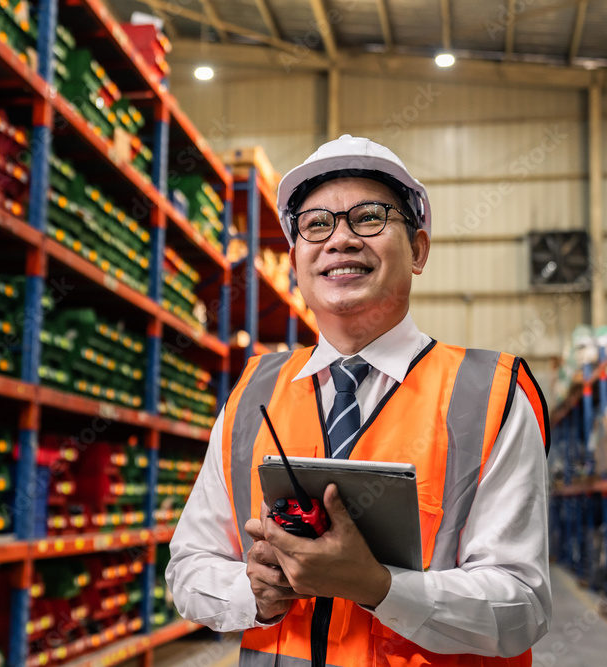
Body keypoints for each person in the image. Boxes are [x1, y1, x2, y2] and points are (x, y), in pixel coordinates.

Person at [165, 135, 551, 667]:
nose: (340, 240)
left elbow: (523, 606)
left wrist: (378, 587)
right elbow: (187, 568)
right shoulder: (252, 394)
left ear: (417, 250)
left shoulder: (490, 395)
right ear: (296, 255)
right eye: (316, 224)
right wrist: (254, 593)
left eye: (368, 217)